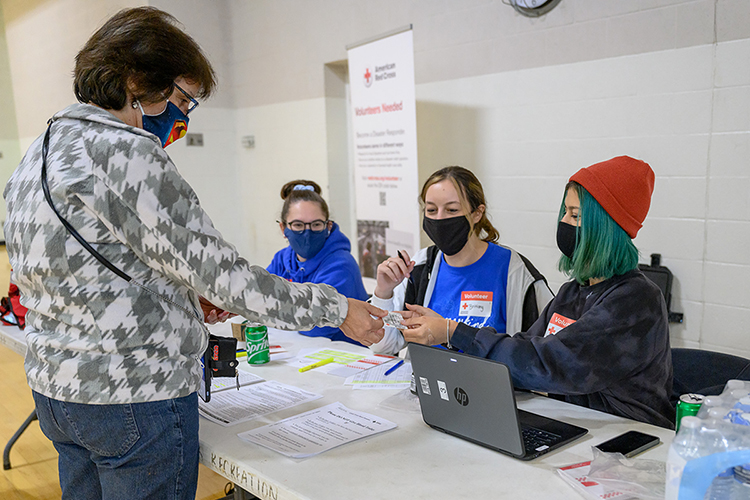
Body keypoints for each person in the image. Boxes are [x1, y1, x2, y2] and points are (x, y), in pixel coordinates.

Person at [2, 8, 384, 500]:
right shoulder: (128, 152)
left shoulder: (41, 150)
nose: (182, 117)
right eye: (183, 99)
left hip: (58, 392)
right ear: (138, 79)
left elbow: (76, 270)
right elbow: (227, 277)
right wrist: (338, 308)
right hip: (132, 396)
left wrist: (179, 294)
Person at [401, 156, 675, 429]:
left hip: (629, 437)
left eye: (575, 215)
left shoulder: (635, 300)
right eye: (564, 212)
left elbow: (550, 364)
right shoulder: (574, 292)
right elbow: (523, 352)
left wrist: (453, 331)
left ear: (606, 228)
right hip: (572, 424)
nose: (564, 222)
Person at [369, 166, 553, 355]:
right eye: (431, 210)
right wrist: (384, 292)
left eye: (452, 210)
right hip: (429, 381)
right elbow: (383, 346)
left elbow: (545, 355)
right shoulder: (421, 265)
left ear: (477, 213)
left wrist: (449, 332)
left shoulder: (514, 270)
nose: (440, 219)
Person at [267, 180, 369, 345]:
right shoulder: (282, 259)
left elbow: (317, 326)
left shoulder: (341, 266)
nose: (307, 233)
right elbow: (260, 301)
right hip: (297, 350)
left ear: (328, 226)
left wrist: (279, 310)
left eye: (316, 225)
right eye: (298, 225)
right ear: (283, 228)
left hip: (343, 356)